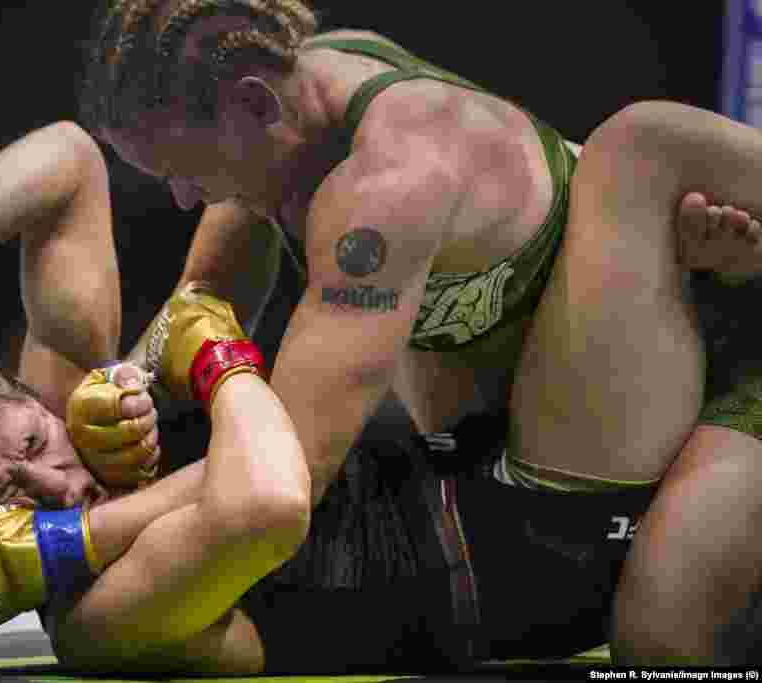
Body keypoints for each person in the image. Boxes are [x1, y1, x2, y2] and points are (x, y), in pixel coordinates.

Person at [73, 1, 762, 665]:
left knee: (642, 144)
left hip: (667, 393)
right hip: (623, 387)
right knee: (668, 647)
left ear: (255, 105)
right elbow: (198, 307)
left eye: (181, 171)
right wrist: (123, 385)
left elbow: (288, 474)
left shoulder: (387, 182)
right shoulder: (286, 105)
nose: (183, 199)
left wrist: (60, 542)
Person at [0, 290, 650, 674]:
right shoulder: (97, 622)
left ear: (34, 399)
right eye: (4, 500)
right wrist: (208, 351)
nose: (54, 485)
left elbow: (65, 159)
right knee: (640, 154)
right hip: (534, 545)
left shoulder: (97, 427)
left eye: (34, 441)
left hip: (492, 439)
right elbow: (269, 497)